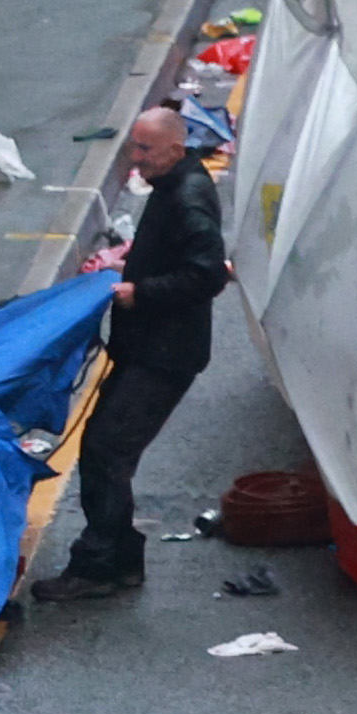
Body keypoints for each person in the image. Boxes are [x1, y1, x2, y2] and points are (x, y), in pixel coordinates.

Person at [33, 107, 225, 603]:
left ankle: (100, 564)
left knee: (106, 450)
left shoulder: (187, 199)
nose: (135, 160)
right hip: (148, 348)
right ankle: (120, 559)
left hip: (165, 354)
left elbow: (206, 275)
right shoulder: (174, 186)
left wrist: (141, 292)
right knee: (105, 448)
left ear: (175, 151)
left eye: (145, 150)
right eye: (133, 147)